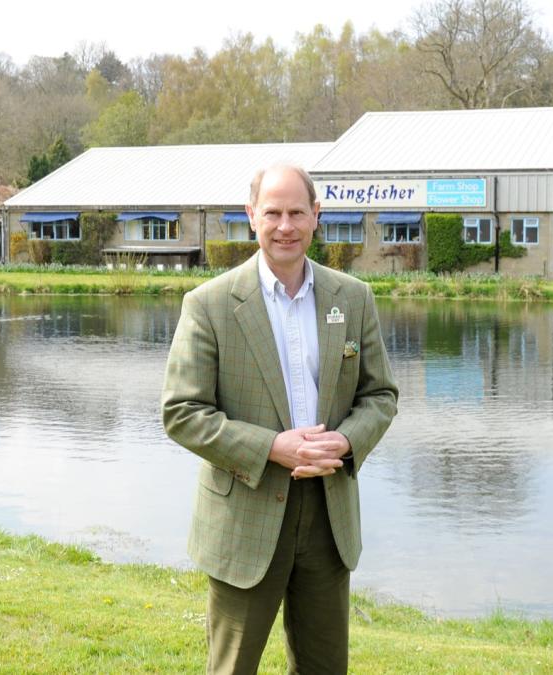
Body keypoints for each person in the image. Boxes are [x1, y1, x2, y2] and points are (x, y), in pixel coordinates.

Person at [162, 164, 398, 674]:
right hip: (245, 517)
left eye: (297, 212)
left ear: (317, 216)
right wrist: (272, 447)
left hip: (328, 517)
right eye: (273, 212)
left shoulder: (353, 298)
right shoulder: (209, 304)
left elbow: (380, 395)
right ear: (251, 217)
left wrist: (345, 442)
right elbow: (182, 412)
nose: (285, 225)